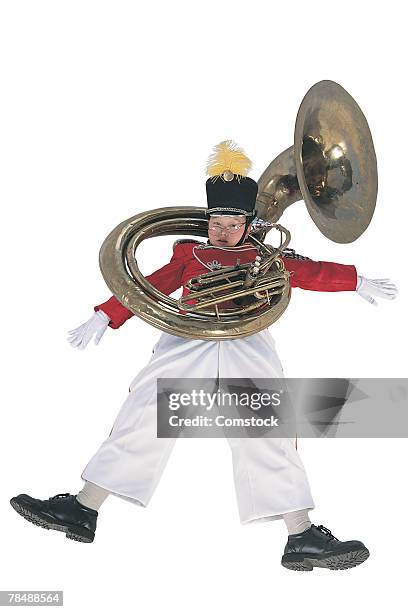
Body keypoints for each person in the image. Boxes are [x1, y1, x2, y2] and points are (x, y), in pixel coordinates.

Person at [10, 141, 397, 571]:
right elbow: (148, 285)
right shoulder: (189, 253)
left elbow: (310, 272)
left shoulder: (268, 255)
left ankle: (301, 534)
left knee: (266, 427)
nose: (222, 232)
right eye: (216, 223)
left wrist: (356, 280)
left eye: (232, 224)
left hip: (246, 342)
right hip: (186, 338)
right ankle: (83, 509)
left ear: (248, 224)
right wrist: (105, 315)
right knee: (143, 415)